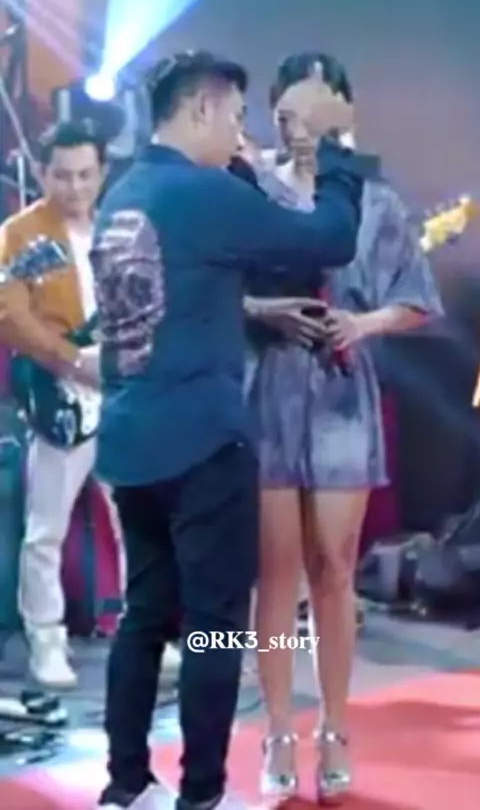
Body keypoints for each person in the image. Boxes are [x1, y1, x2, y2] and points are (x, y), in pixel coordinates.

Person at [89, 49, 376, 810]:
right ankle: (202, 795)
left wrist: (253, 308)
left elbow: (172, 293)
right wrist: (339, 149)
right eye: (236, 116)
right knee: (214, 630)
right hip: (202, 446)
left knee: (143, 619)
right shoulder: (203, 192)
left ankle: (125, 785)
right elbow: (329, 238)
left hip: (130, 443)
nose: (240, 132)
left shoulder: (124, 192)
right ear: (203, 108)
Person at [243, 53, 443, 804]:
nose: (304, 126)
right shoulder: (249, 191)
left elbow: (415, 299)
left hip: (340, 395)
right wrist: (262, 313)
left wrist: (364, 323)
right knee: (274, 573)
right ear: (274, 113)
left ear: (343, 115)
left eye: (320, 109)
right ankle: (276, 732)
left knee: (333, 568)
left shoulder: (376, 201)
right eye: (291, 111)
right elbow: (214, 288)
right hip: (266, 390)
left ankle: (333, 726)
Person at [0, 121, 110, 688]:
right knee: (46, 526)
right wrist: (72, 362)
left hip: (122, 389)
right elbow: (10, 316)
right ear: (41, 174)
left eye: (86, 175)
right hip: (61, 389)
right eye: (62, 176)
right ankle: (46, 639)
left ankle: (141, 629)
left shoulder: (117, 228)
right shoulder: (20, 235)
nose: (75, 187)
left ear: (103, 173)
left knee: (137, 518)